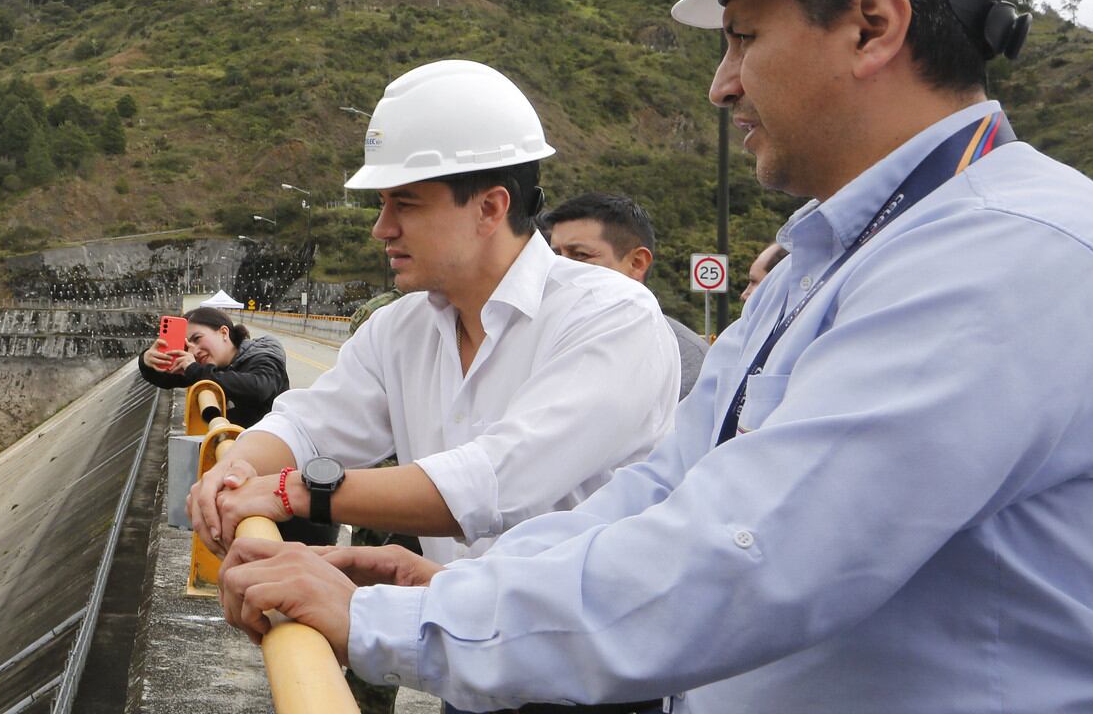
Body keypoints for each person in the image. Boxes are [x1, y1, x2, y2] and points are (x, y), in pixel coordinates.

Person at [216, 0, 1093, 713]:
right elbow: (664, 491)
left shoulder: (1007, 257)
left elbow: (750, 554)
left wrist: (388, 622)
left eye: (743, 38)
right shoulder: (825, 260)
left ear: (874, 26)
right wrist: (447, 594)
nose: (722, 84)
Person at [187, 59, 678, 616]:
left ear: (491, 207)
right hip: (476, 654)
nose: (382, 228)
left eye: (407, 203)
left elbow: (497, 481)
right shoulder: (401, 328)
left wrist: (290, 491)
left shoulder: (611, 315)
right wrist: (239, 464)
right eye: (382, 204)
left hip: (599, 678)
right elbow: (307, 424)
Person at [544, 192, 709, 396]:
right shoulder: (536, 336)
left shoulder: (686, 358)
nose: (560, 269)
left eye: (580, 255)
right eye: (556, 256)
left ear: (637, 263)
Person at [136, 305, 288, 427]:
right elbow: (168, 379)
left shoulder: (262, 354)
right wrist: (147, 360)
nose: (193, 351)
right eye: (187, 345)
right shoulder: (212, 366)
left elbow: (259, 388)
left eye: (197, 339)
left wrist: (194, 370)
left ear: (223, 332)